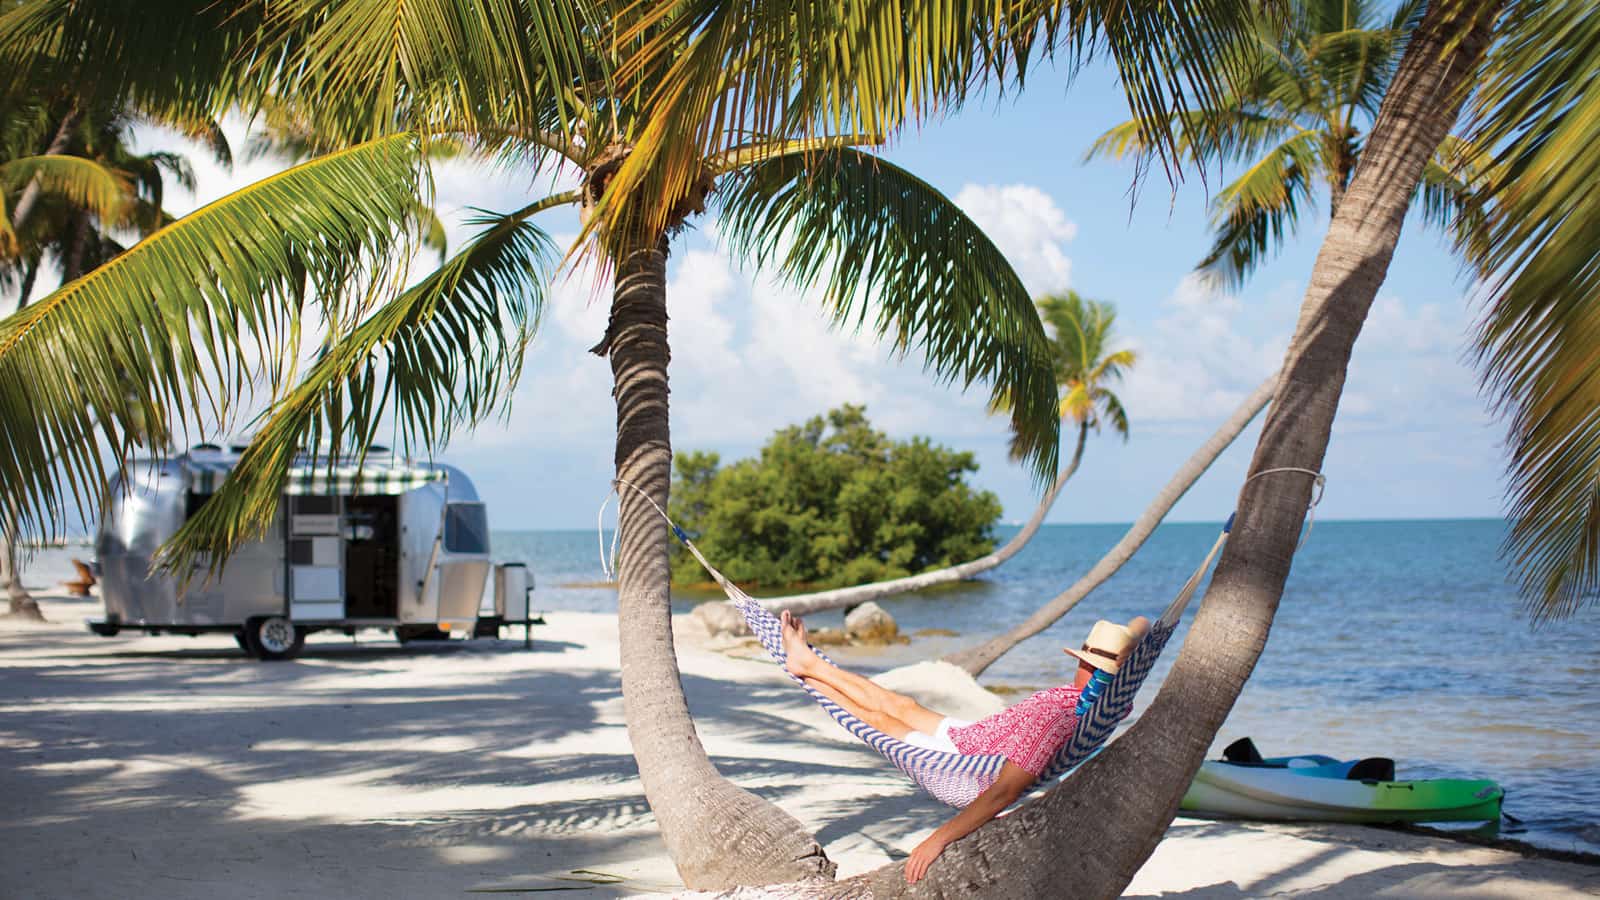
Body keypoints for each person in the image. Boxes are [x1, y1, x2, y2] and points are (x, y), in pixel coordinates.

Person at [779, 610, 1149, 884]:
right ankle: (809, 662)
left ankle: (807, 672)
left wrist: (936, 840)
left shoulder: (1057, 719)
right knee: (901, 705)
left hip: (963, 768)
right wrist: (1128, 646)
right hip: (972, 738)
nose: (1082, 666)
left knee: (879, 720)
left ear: (1085, 663)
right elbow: (1143, 623)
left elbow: (1005, 791)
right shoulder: (1109, 702)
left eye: (1087, 661)